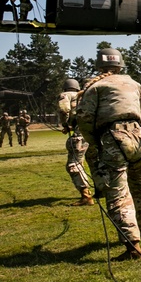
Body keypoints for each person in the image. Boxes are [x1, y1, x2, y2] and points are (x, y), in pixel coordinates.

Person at [76, 49, 141, 260]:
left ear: (99, 67)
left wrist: (95, 143)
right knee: (138, 187)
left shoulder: (96, 86)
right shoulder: (135, 84)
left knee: (118, 192)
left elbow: (84, 118)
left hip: (112, 137)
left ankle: (132, 245)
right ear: (120, 66)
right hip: (139, 136)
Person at [58, 78, 93, 206]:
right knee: (94, 162)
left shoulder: (66, 95)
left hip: (79, 135)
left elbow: (64, 109)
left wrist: (65, 124)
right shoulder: (86, 95)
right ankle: (102, 190)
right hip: (92, 133)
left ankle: (86, 196)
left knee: (73, 165)